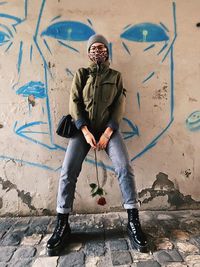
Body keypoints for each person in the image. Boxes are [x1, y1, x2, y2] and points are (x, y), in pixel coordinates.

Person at [46, 34, 148, 256]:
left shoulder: (116, 76)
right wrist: (84, 130)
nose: (98, 51)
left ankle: (133, 220)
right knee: (67, 171)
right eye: (94, 48)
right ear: (88, 52)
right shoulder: (81, 74)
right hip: (83, 131)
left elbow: (119, 106)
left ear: (107, 51)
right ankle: (62, 224)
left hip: (108, 131)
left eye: (101, 47)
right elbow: (74, 102)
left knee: (124, 168)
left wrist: (107, 133)